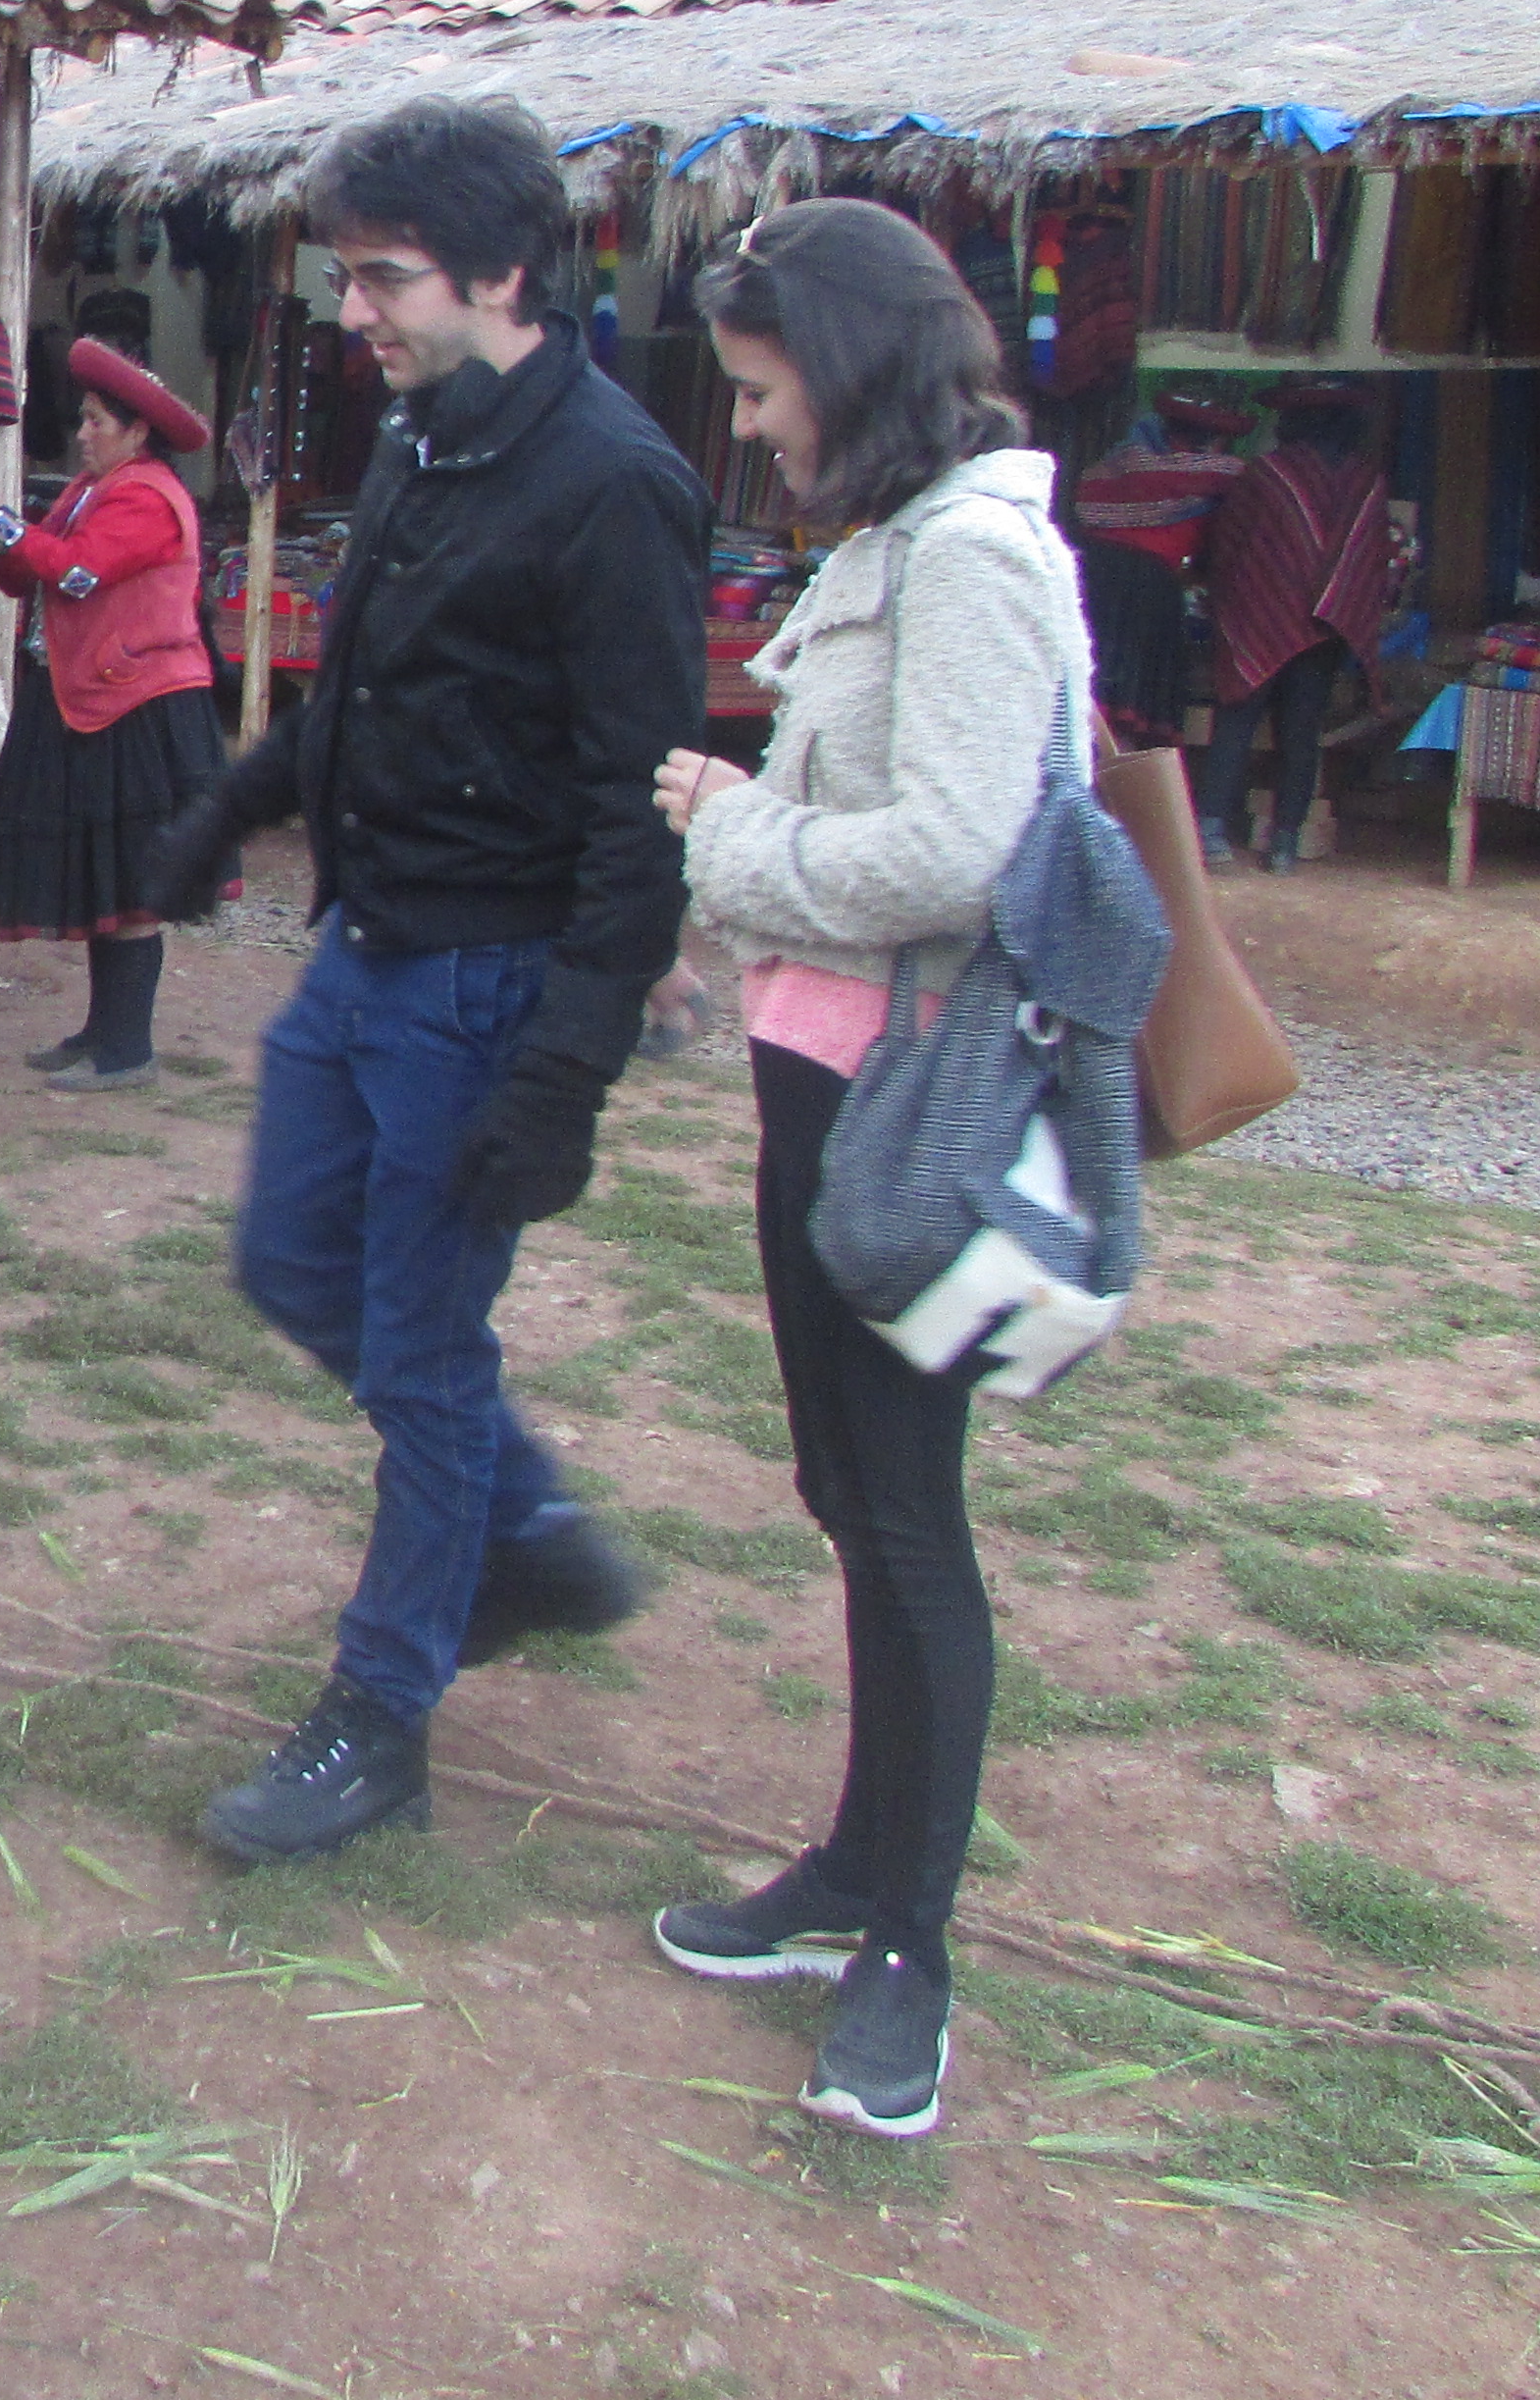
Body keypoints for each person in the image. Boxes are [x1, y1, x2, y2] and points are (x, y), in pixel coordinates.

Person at [134, 95, 704, 1866]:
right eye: (348, 275)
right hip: (362, 957)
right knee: (290, 1264)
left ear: (502, 273)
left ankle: (380, 1716)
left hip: (485, 990)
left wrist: (566, 1075)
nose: (354, 309)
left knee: (425, 1351)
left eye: (383, 278)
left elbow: (639, 818)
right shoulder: (421, 434)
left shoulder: (615, 486)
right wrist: (236, 803)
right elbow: (370, 684)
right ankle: (524, 1535)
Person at [644, 193, 1094, 2141]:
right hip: (829, 1075)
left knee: (905, 1516)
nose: (749, 427)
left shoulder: (970, 557)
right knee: (848, 1490)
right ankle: (853, 1867)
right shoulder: (902, 541)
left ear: (844, 369)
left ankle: (909, 1945)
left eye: (761, 391)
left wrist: (733, 834)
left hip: (905, 1102)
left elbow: (956, 857)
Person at [0, 337, 231, 1091]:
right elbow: (29, 576)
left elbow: (76, 573)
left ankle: (127, 1049)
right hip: (98, 696)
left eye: (97, 420)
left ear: (138, 431)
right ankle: (106, 1034)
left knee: (132, 882)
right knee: (111, 878)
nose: (82, 433)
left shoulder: (146, 497)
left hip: (140, 707)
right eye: (84, 418)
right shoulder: (91, 492)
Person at [1195, 378, 1393, 870]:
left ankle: (1212, 835)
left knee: (1236, 723)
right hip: (1327, 629)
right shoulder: (1367, 481)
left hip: (1260, 618)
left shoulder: (1267, 473)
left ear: (1292, 421)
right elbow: (1373, 559)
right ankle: (1284, 846)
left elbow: (1230, 544)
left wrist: (1221, 595)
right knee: (1301, 735)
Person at [1069, 387, 1245, 738]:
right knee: (1133, 698)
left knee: (1092, 689)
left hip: (1091, 582)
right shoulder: (1221, 476)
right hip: (1147, 589)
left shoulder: (1118, 464)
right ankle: (1124, 764)